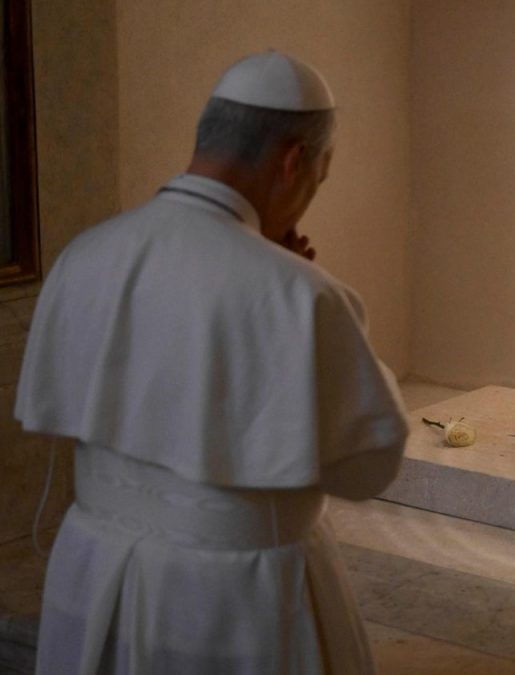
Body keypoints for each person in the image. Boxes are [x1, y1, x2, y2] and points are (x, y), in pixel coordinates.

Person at [15, 51, 408, 674]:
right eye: (318, 179)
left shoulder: (84, 254)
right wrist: (297, 280)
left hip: (93, 571)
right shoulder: (303, 295)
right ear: (293, 161)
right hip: (231, 601)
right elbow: (368, 467)